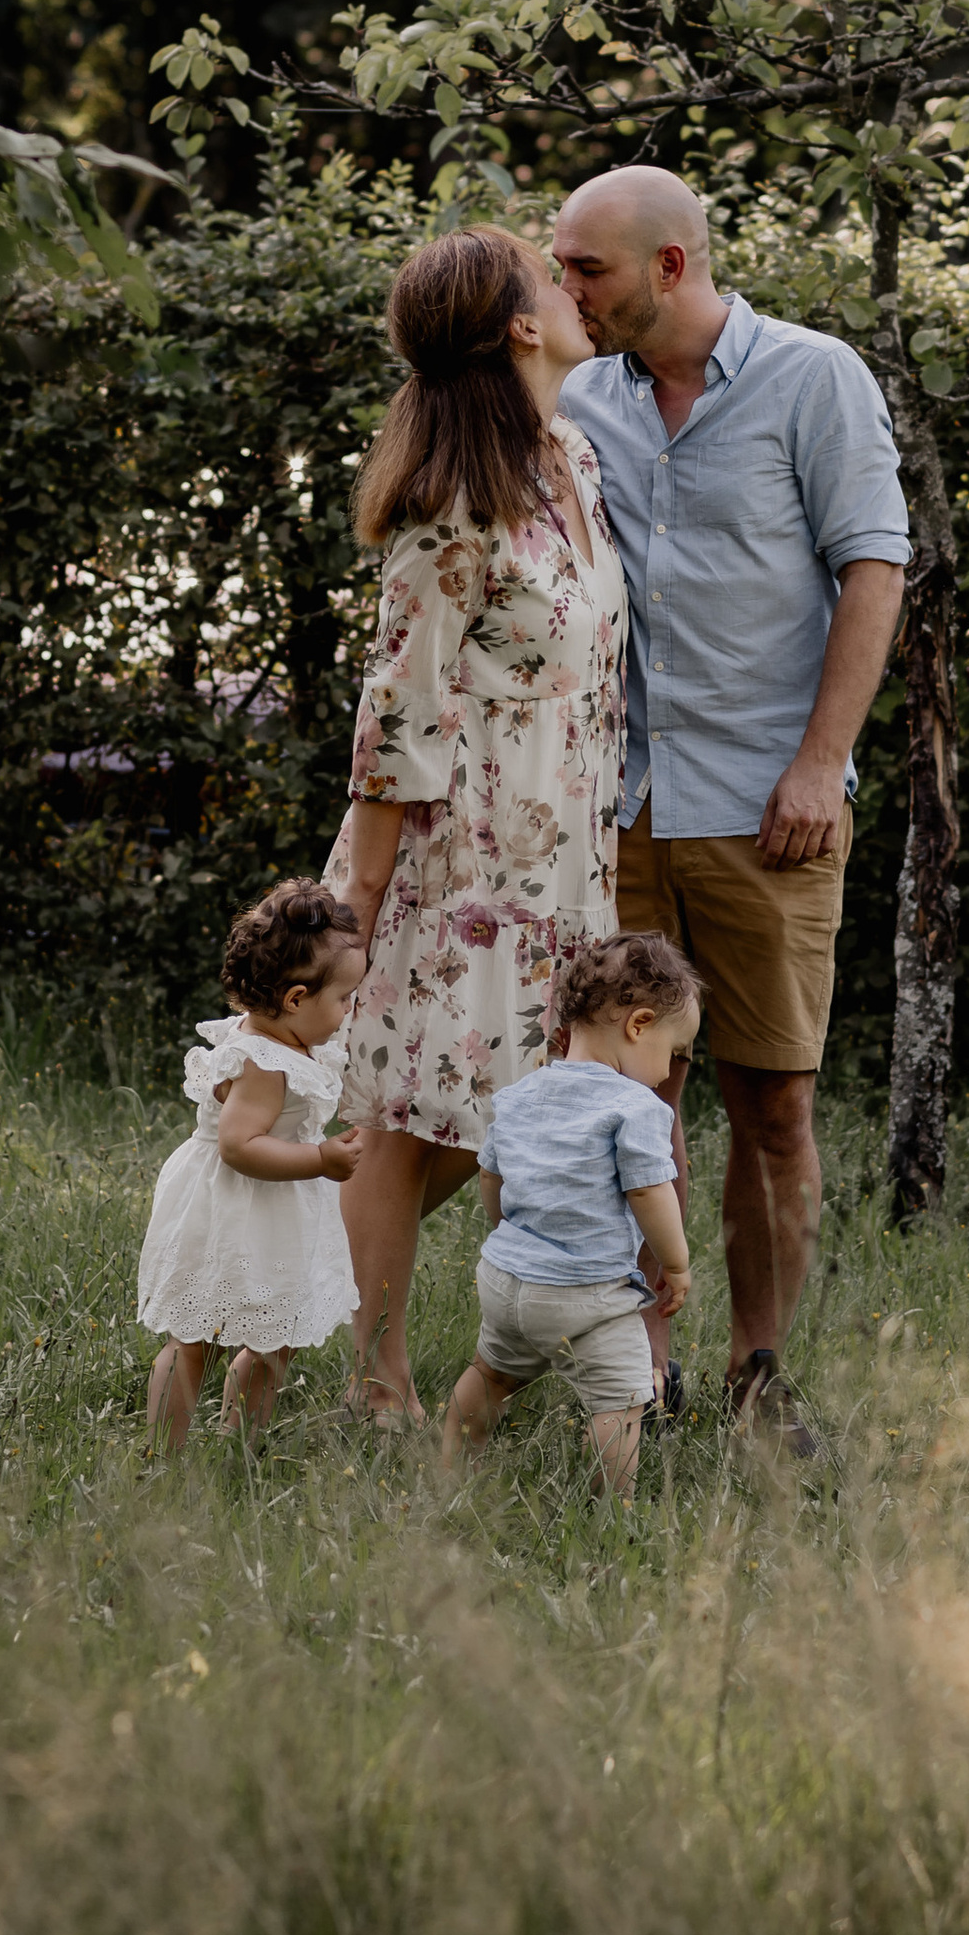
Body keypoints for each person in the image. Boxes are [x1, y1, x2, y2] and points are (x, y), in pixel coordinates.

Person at [551, 166, 907, 1454]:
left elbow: (873, 566)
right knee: (627, 1104)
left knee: (772, 1107)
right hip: (621, 811)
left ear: (671, 266)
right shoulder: (581, 399)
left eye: (585, 268)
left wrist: (822, 761)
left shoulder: (816, 378)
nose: (566, 289)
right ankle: (645, 1375)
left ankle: (760, 1368)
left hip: (770, 810)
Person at [326, 223, 628, 1425]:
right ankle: (374, 1381)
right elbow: (393, 719)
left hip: (560, 861)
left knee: (487, 1111)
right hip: (454, 871)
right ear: (516, 323)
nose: (570, 291)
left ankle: (308, 1273)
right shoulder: (450, 504)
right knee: (408, 1124)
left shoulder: (573, 460)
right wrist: (354, 910)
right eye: (551, 279)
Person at [443, 929, 698, 1500]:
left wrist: (507, 1235)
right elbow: (650, 1192)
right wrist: (675, 1265)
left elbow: (492, 1177)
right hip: (587, 1294)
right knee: (622, 1401)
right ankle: (612, 1510)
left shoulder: (520, 1094)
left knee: (491, 1375)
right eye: (673, 1050)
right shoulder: (637, 1106)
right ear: (638, 1025)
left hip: (505, 1280)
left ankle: (449, 1476)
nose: (669, 1068)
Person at [137, 880, 367, 1451]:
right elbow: (239, 1145)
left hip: (271, 1212)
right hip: (236, 1210)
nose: (347, 1012)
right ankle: (165, 1457)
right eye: (343, 1000)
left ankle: (243, 1444)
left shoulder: (282, 1039)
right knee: (198, 1339)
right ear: (295, 1000)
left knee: (276, 1335)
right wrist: (319, 1158)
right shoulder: (264, 1062)